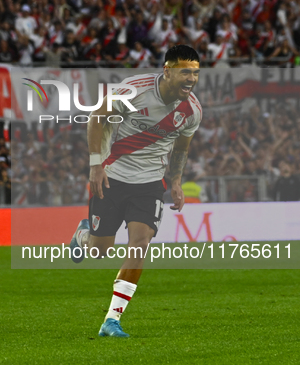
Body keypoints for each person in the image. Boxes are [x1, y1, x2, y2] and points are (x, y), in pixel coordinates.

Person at [70, 45, 202, 337]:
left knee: (140, 244)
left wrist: (177, 182)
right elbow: (97, 117)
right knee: (99, 251)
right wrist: (95, 165)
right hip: (112, 178)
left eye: (195, 72)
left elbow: (181, 147)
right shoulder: (134, 90)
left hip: (150, 185)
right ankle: (84, 234)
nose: (191, 79)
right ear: (168, 71)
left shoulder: (191, 110)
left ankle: (112, 320)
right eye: (185, 72)